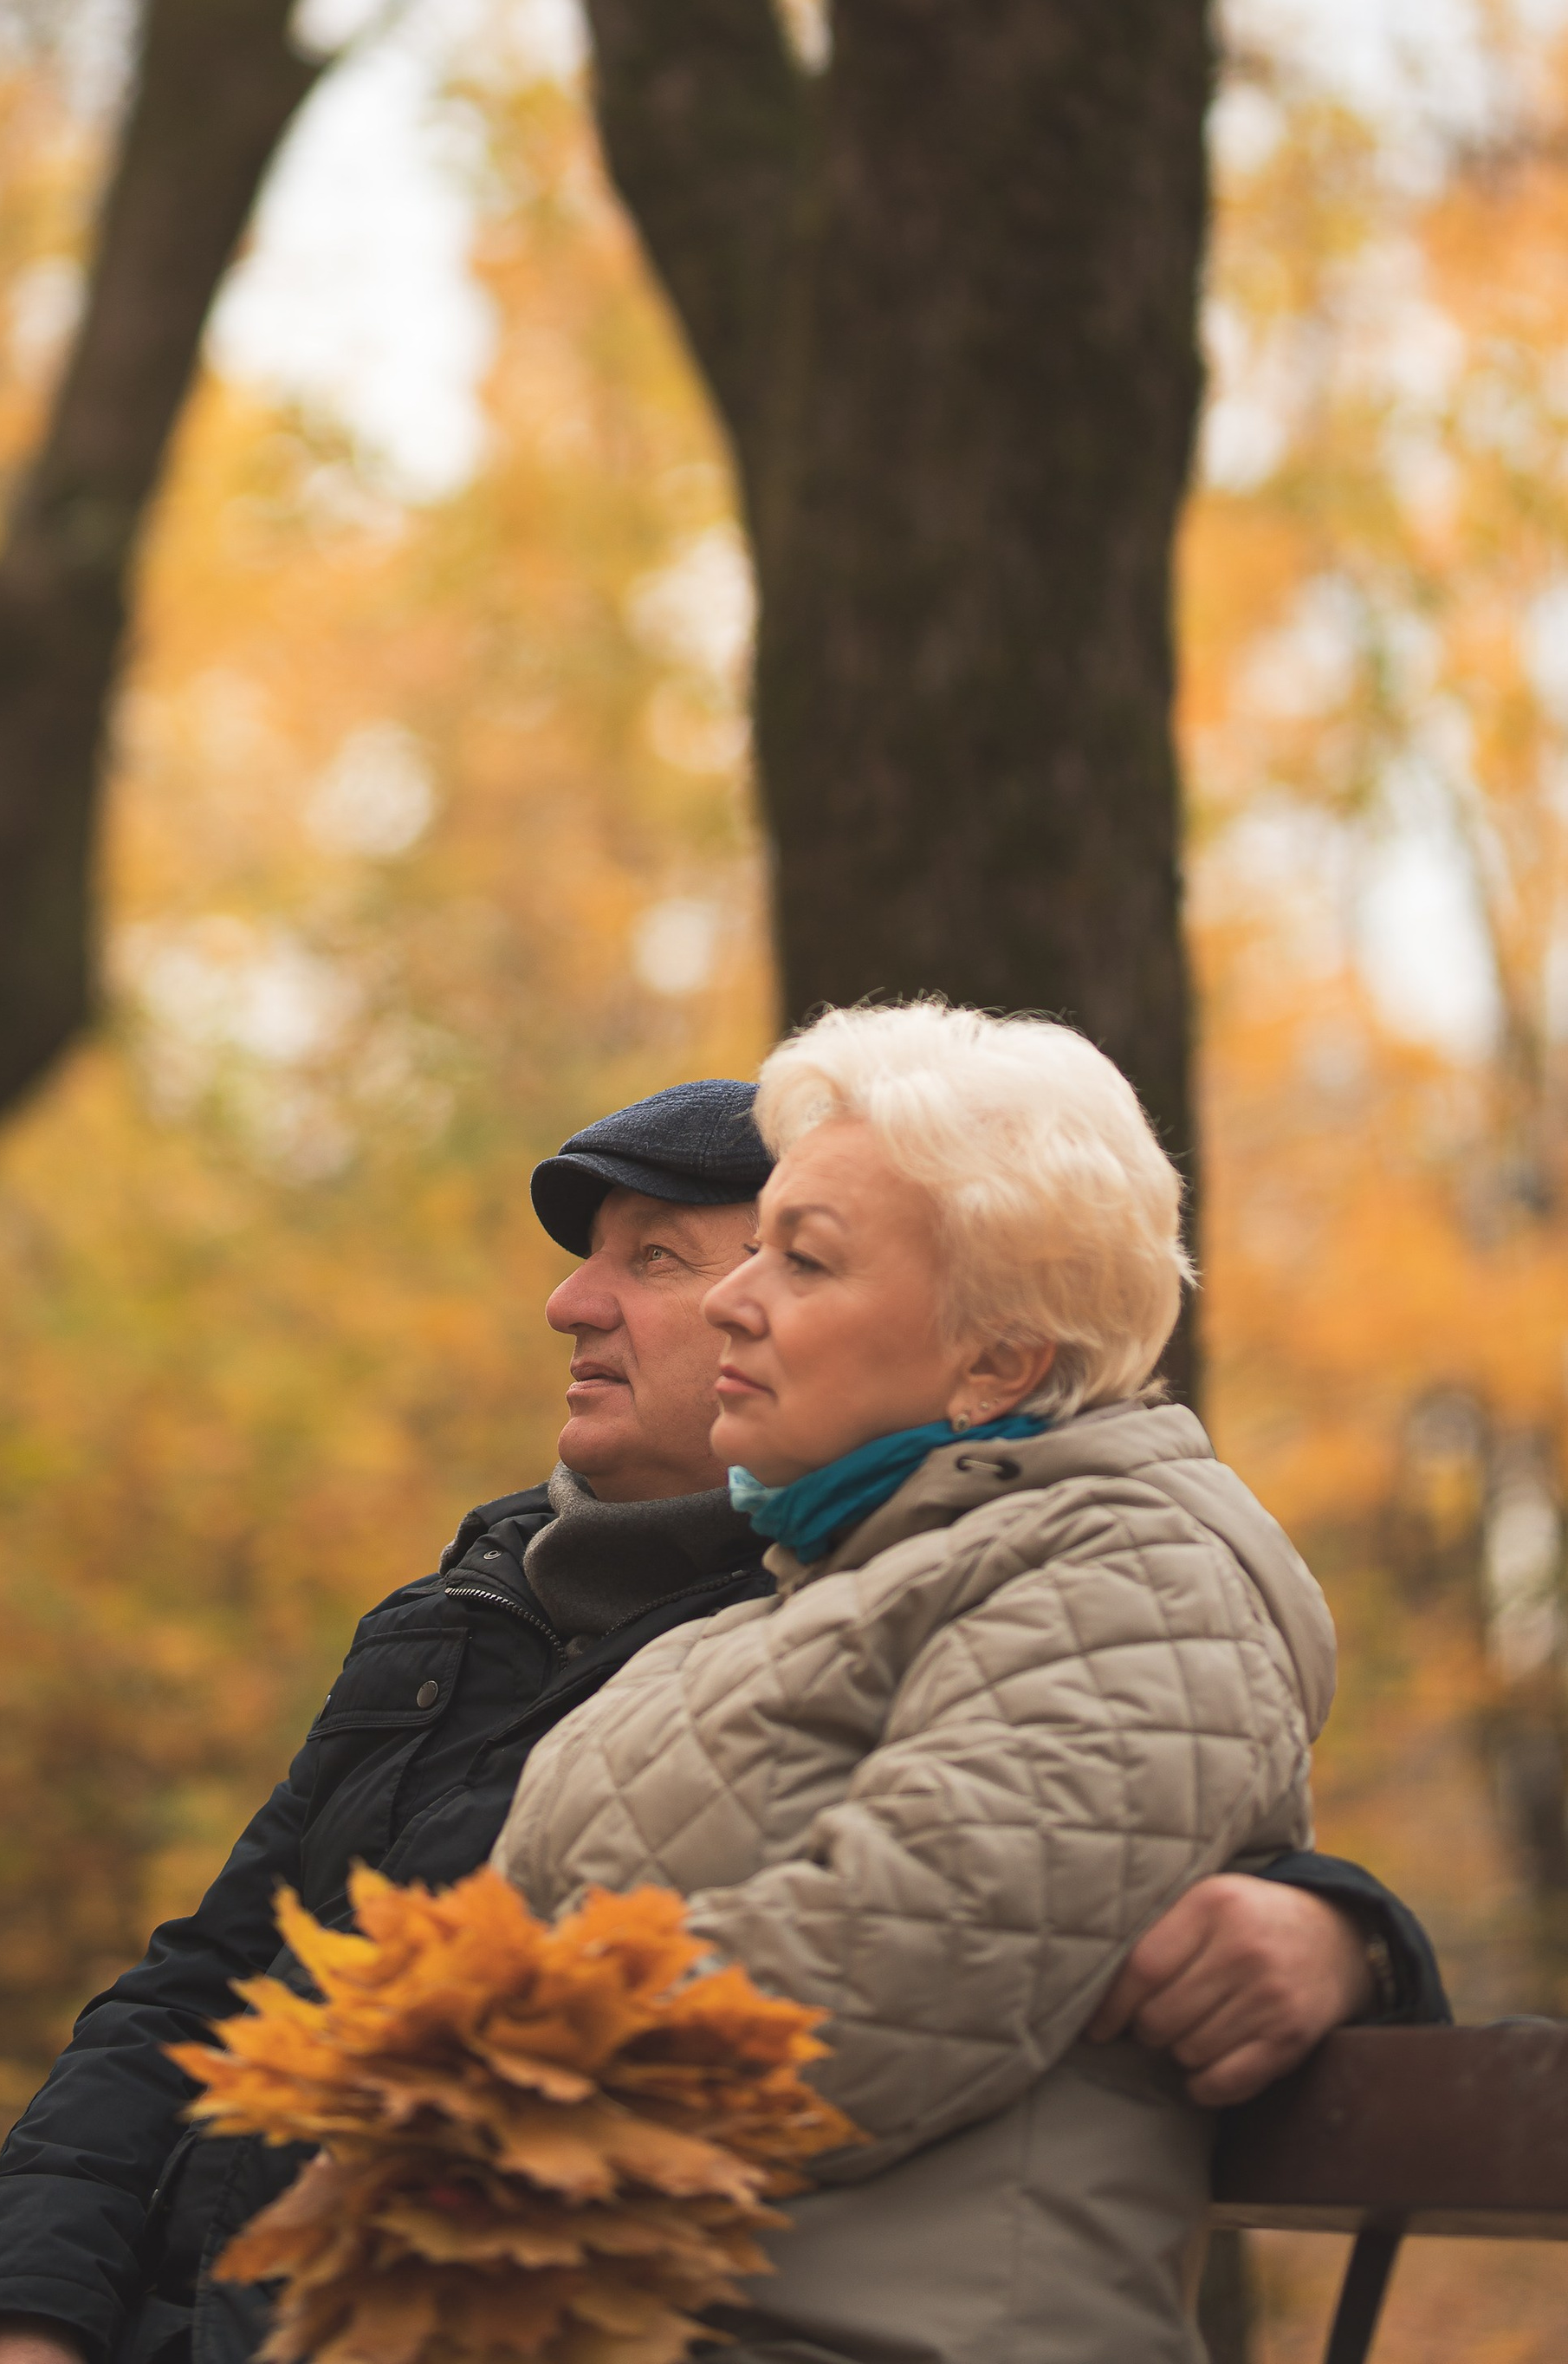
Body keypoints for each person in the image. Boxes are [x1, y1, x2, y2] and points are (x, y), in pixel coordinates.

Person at [0, 1072, 1442, 2364]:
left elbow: (1029, 1850)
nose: (574, 1304)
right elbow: (201, 1991)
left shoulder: (894, 1590)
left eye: (667, 1259)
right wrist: (18, 2318)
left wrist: (1346, 1932)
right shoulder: (469, 1612)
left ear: (973, 1342)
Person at [495, 1003, 1357, 2362]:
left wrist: (433, 2087)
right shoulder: (769, 1613)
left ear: (997, 1360)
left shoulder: (1139, 1577)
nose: (731, 1298)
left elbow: (866, 1998)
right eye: (753, 1248)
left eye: (803, 1258)